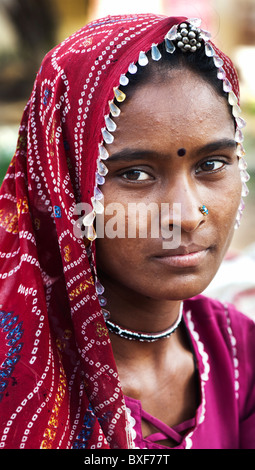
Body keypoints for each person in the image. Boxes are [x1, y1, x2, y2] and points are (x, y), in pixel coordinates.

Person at [0, 13, 254, 450]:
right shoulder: (15, 367)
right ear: (63, 186)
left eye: (211, 164)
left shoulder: (240, 356)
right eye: (135, 173)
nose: (189, 215)